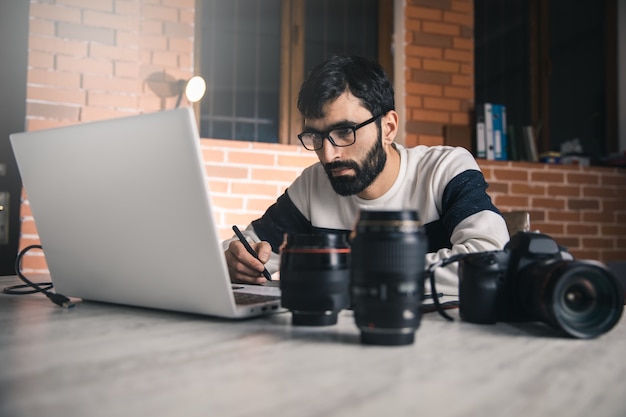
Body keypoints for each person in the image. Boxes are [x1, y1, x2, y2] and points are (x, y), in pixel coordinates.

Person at [223, 55, 509, 298]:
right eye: (316, 136)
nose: (329, 155)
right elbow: (243, 249)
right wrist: (234, 260)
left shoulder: (444, 169)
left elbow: (491, 262)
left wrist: (356, 271)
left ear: (388, 127)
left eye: (345, 132)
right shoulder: (313, 185)